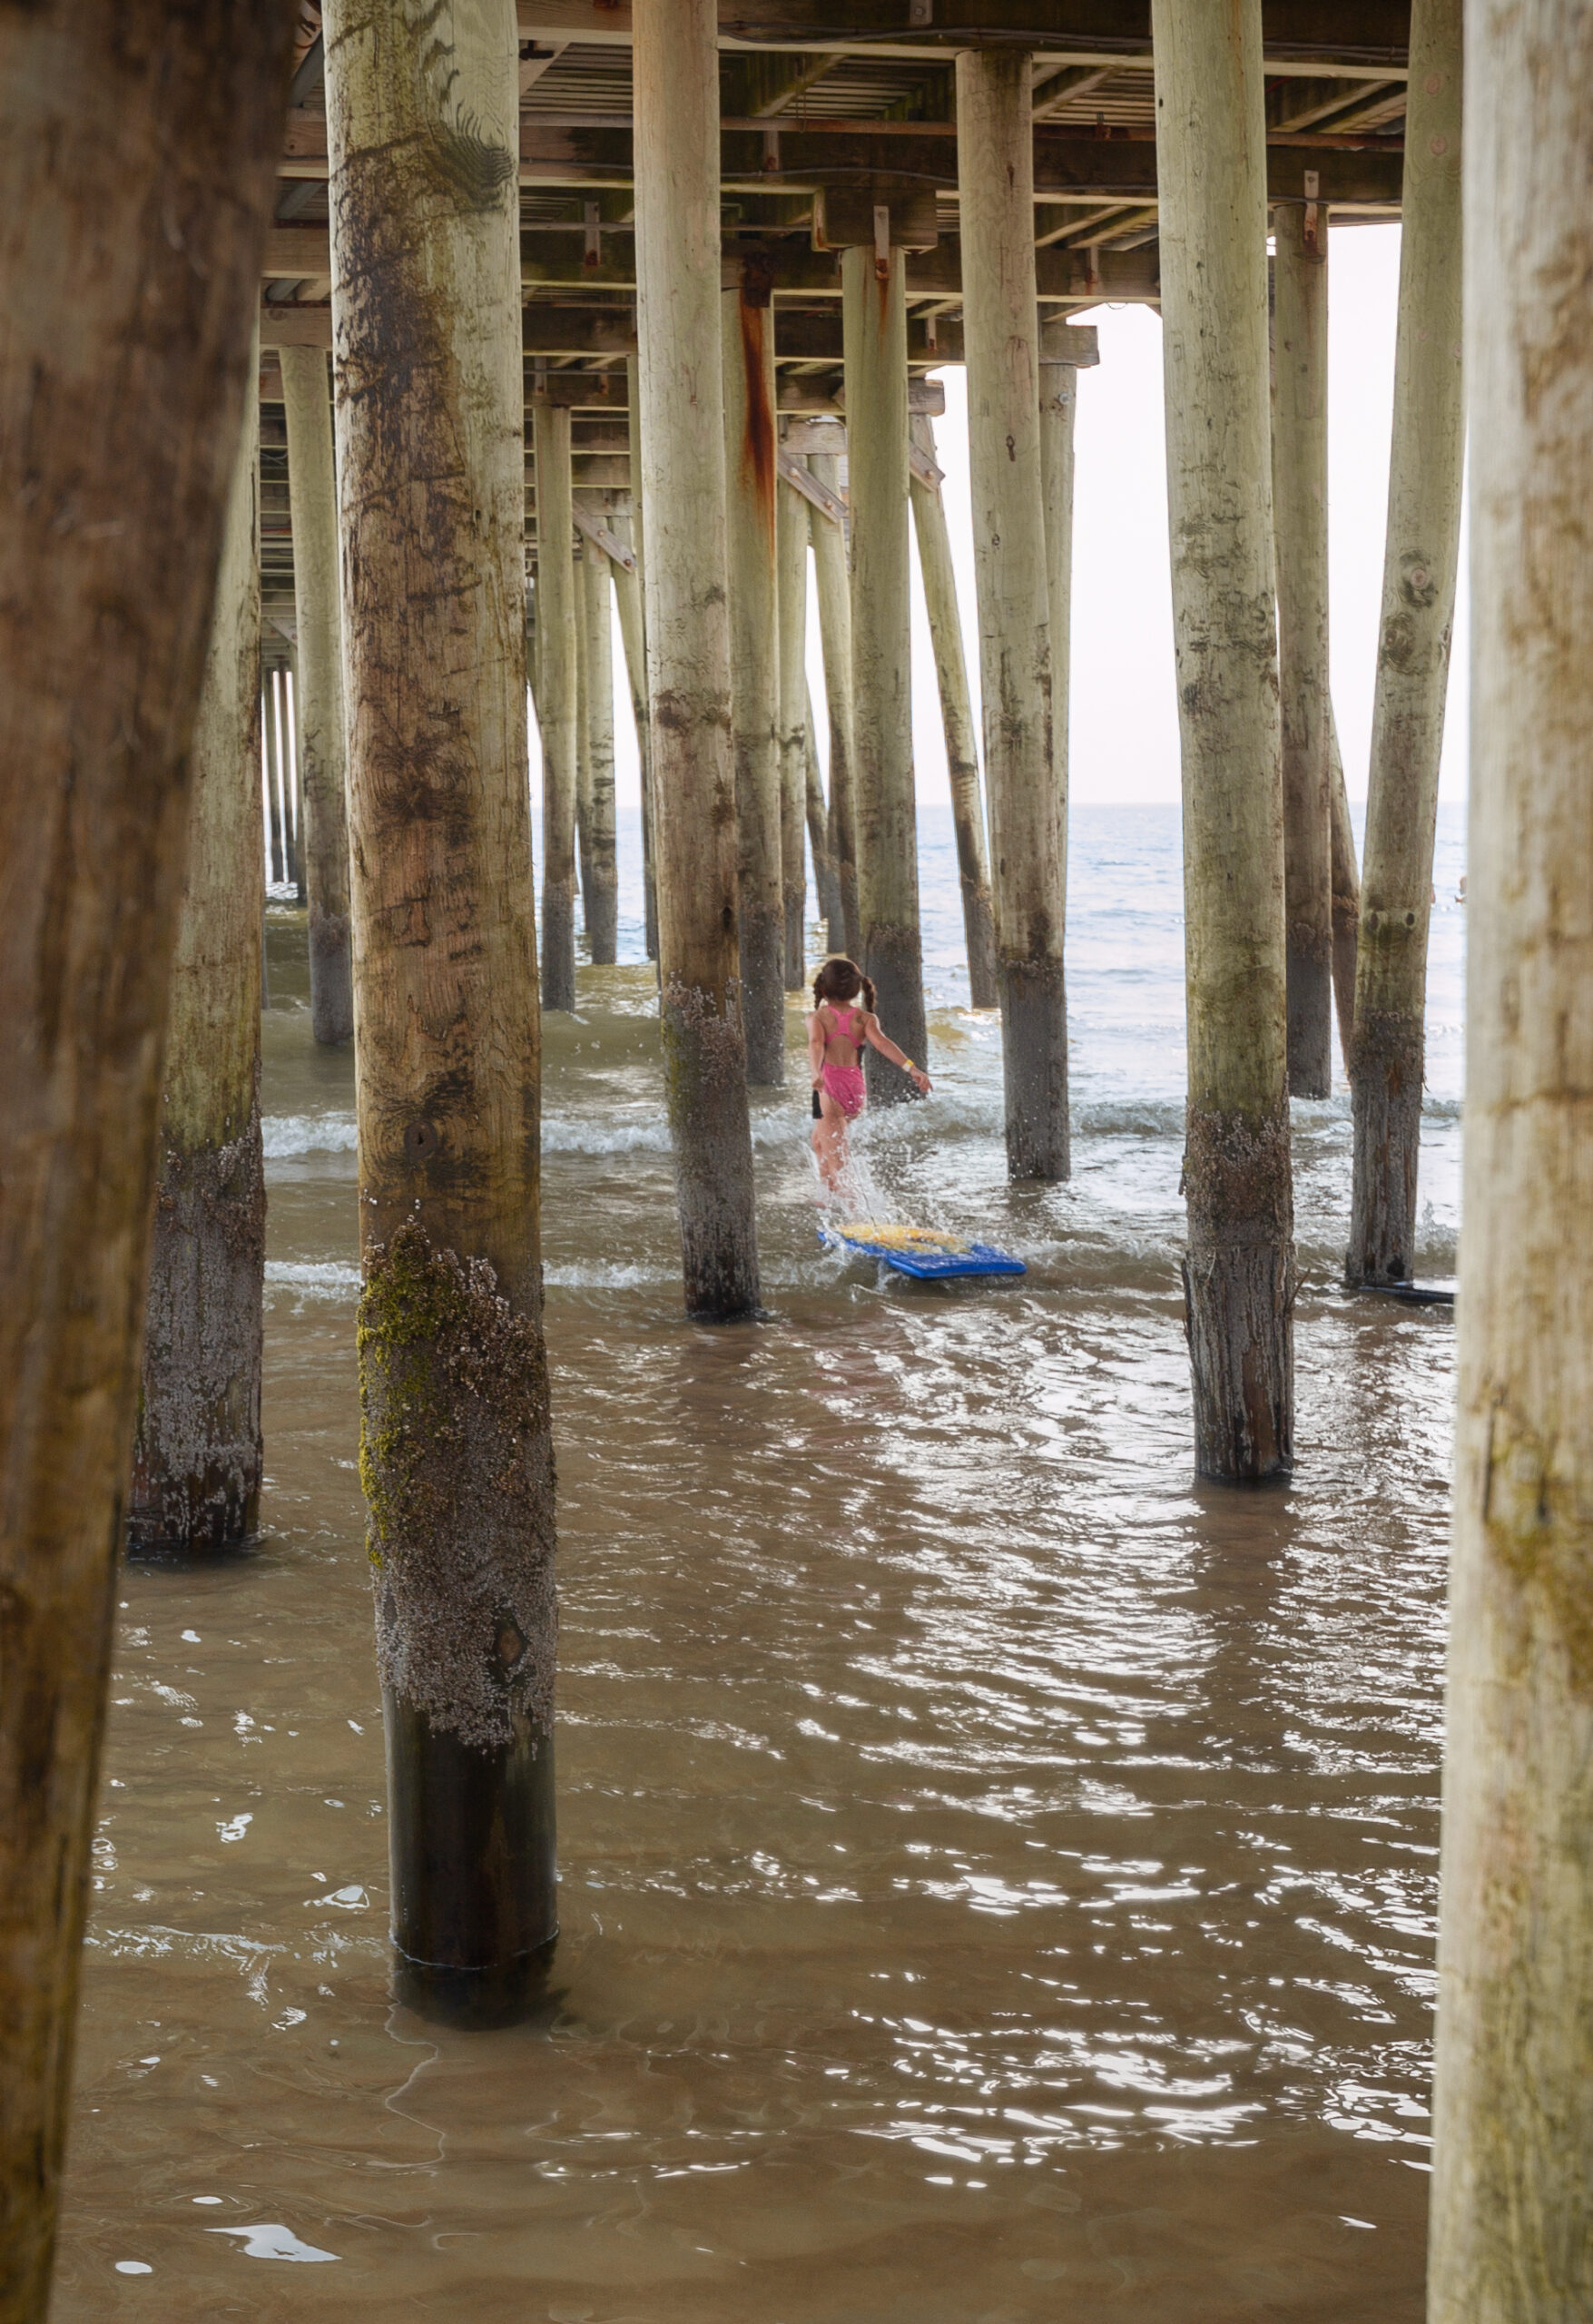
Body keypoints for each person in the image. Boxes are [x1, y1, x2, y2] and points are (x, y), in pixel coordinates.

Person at [808, 955, 931, 1192]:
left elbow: (815, 1043)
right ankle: (827, 1201)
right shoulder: (865, 1018)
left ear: (823, 989)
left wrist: (815, 1072)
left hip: (828, 1091)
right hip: (855, 1092)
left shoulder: (818, 1017)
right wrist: (912, 1068)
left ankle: (854, 1209)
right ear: (856, 990)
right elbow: (883, 1044)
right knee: (819, 1142)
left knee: (839, 1165)